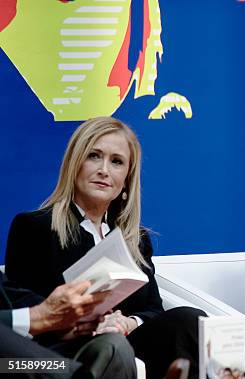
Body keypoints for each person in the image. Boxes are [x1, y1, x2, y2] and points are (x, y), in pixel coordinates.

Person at [4, 117, 206, 379]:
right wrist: (80, 321)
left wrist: (127, 322)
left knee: (192, 321)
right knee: (113, 346)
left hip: (124, 341)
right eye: (94, 156)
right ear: (74, 165)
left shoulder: (136, 239)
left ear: (127, 180)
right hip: (61, 351)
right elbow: (18, 301)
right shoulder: (34, 226)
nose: (104, 170)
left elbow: (154, 309)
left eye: (116, 161)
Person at [0, 270, 136, 379]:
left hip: (33, 348)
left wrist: (63, 322)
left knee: (113, 346)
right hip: (7, 365)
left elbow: (12, 295)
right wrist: (39, 318)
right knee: (65, 369)